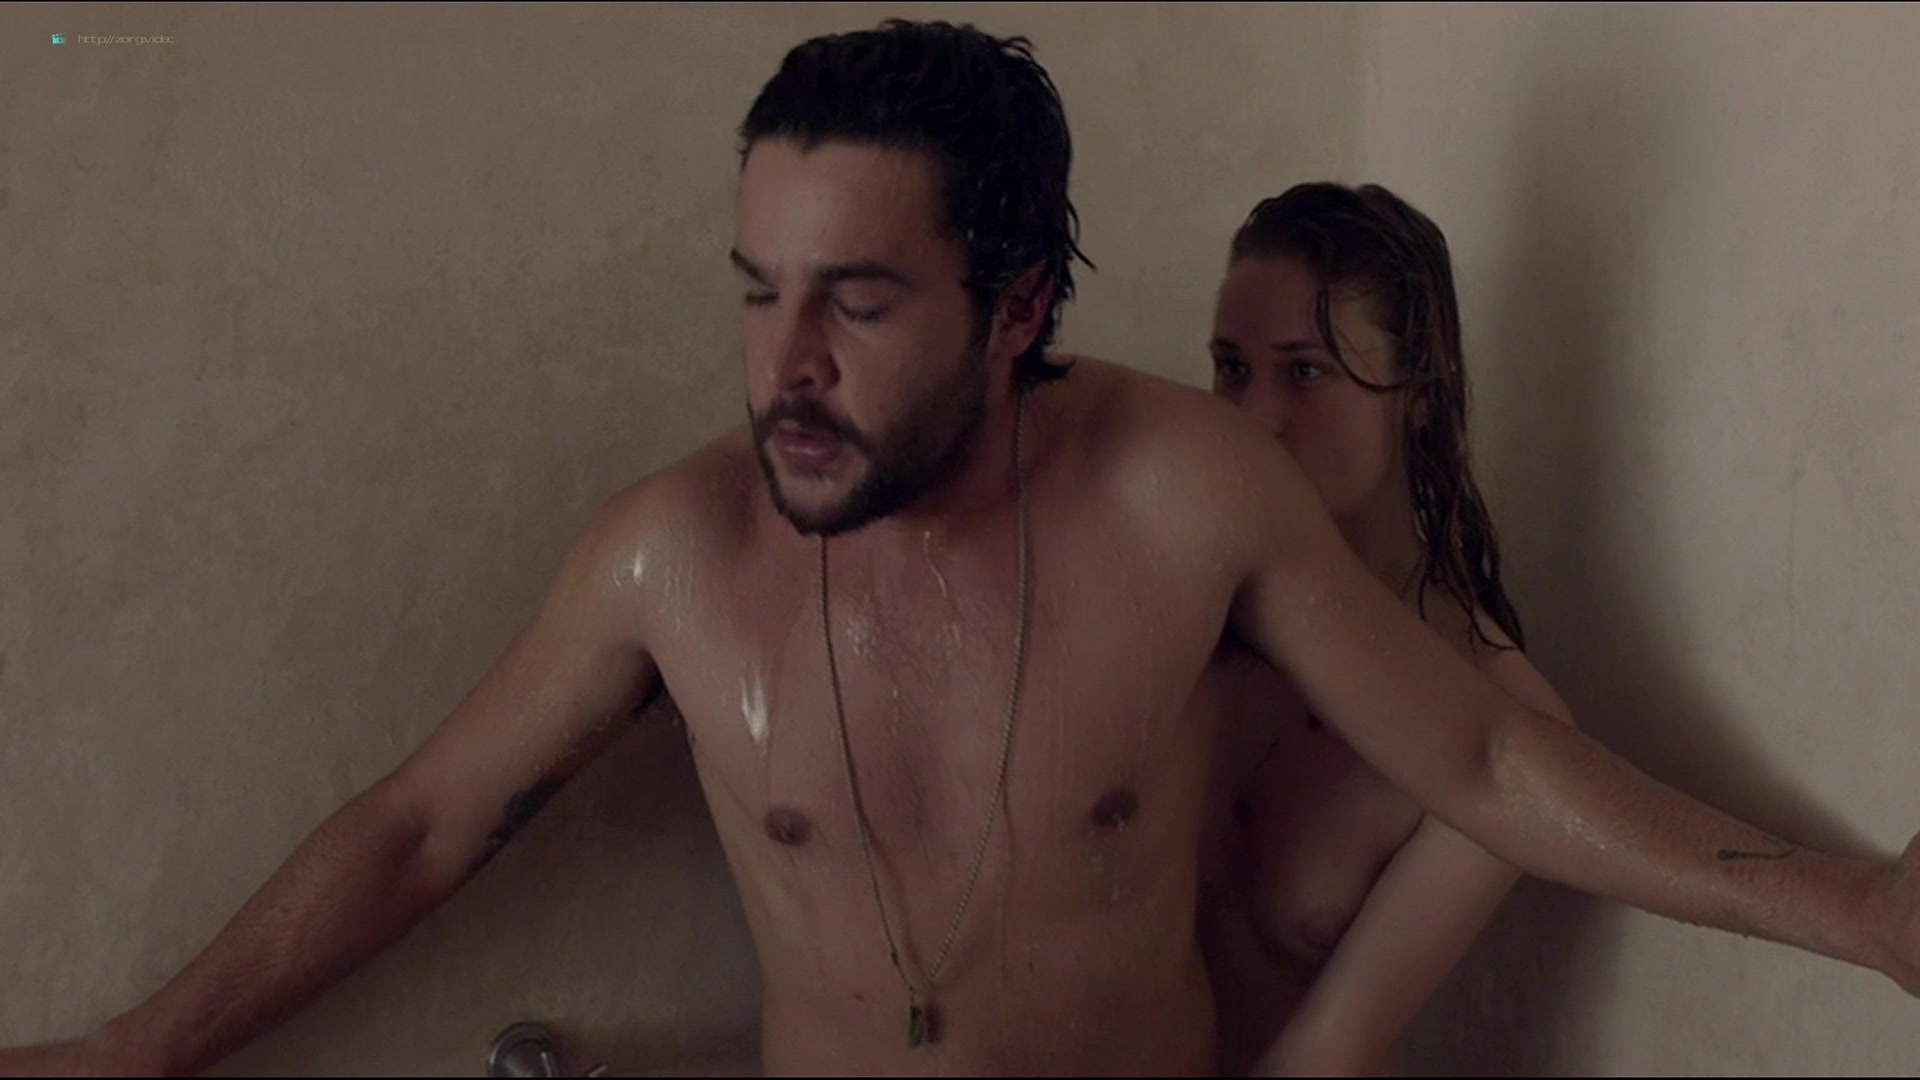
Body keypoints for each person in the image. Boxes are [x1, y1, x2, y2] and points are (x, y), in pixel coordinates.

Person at [3, 20, 1915, 1079]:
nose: (784, 367)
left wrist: (1850, 910)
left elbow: (1484, 754)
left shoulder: (1184, 498)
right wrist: (137, 1054)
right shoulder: (674, 559)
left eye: (855, 301)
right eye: (758, 291)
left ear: (1014, 310)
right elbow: (427, 825)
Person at [1193, 182, 1573, 1076]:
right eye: (1232, 369)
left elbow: (1333, 1048)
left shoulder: (1500, 712)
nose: (1254, 419)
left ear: (1422, 391)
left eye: (1305, 371)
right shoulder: (1176, 609)